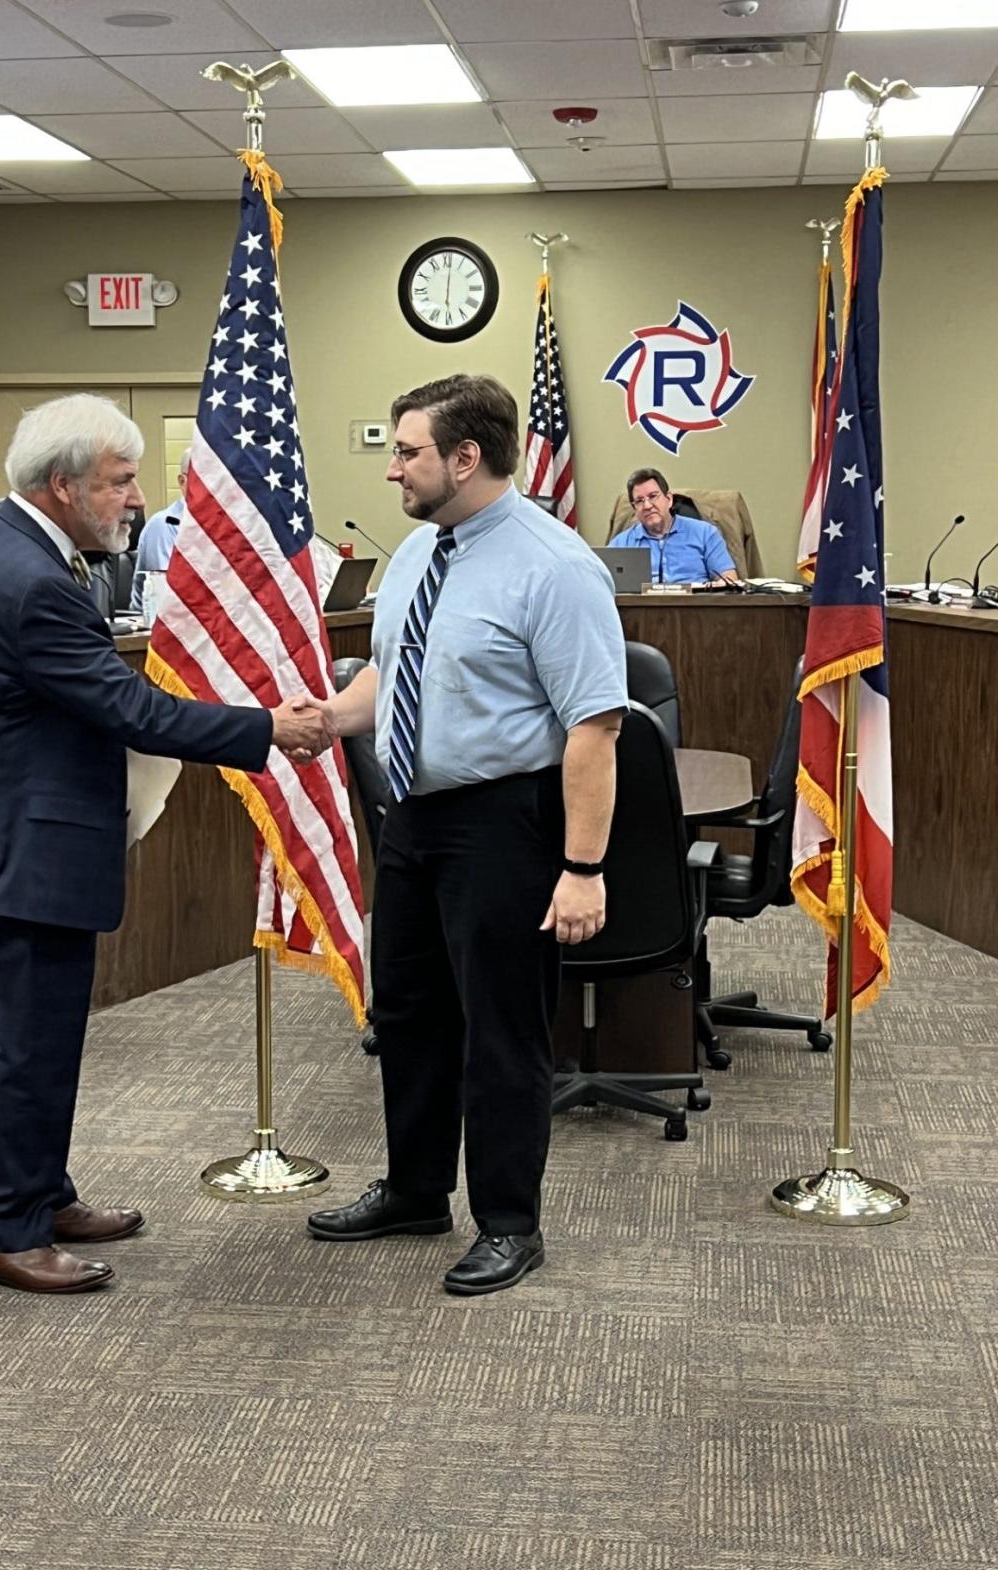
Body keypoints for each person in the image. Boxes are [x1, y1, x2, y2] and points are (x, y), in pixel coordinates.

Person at [0, 394, 333, 1296]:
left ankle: (40, 1194)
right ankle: (2, 1231)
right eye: (120, 481)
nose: (138, 498)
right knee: (31, 1043)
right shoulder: (32, 584)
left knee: (32, 1037)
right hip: (22, 852)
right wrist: (268, 727)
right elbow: (129, 708)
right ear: (64, 486)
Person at [306, 375, 627, 1297]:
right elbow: (390, 675)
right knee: (405, 1011)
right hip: (414, 816)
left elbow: (596, 726)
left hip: (504, 824)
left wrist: (582, 869)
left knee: (501, 1029)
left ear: (464, 458)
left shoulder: (554, 566)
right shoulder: (416, 552)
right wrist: (327, 719)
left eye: (405, 452)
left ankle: (509, 1223)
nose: (391, 469)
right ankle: (414, 1189)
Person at [611, 468, 740, 586]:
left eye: (653, 496)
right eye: (639, 501)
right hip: (642, 609)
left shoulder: (705, 533)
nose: (647, 506)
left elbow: (729, 579)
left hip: (694, 607)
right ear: (634, 508)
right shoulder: (620, 543)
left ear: (669, 499)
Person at [132, 446, 190, 608]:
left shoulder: (220, 528)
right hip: (156, 627)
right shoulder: (164, 525)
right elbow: (166, 596)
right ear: (182, 482)